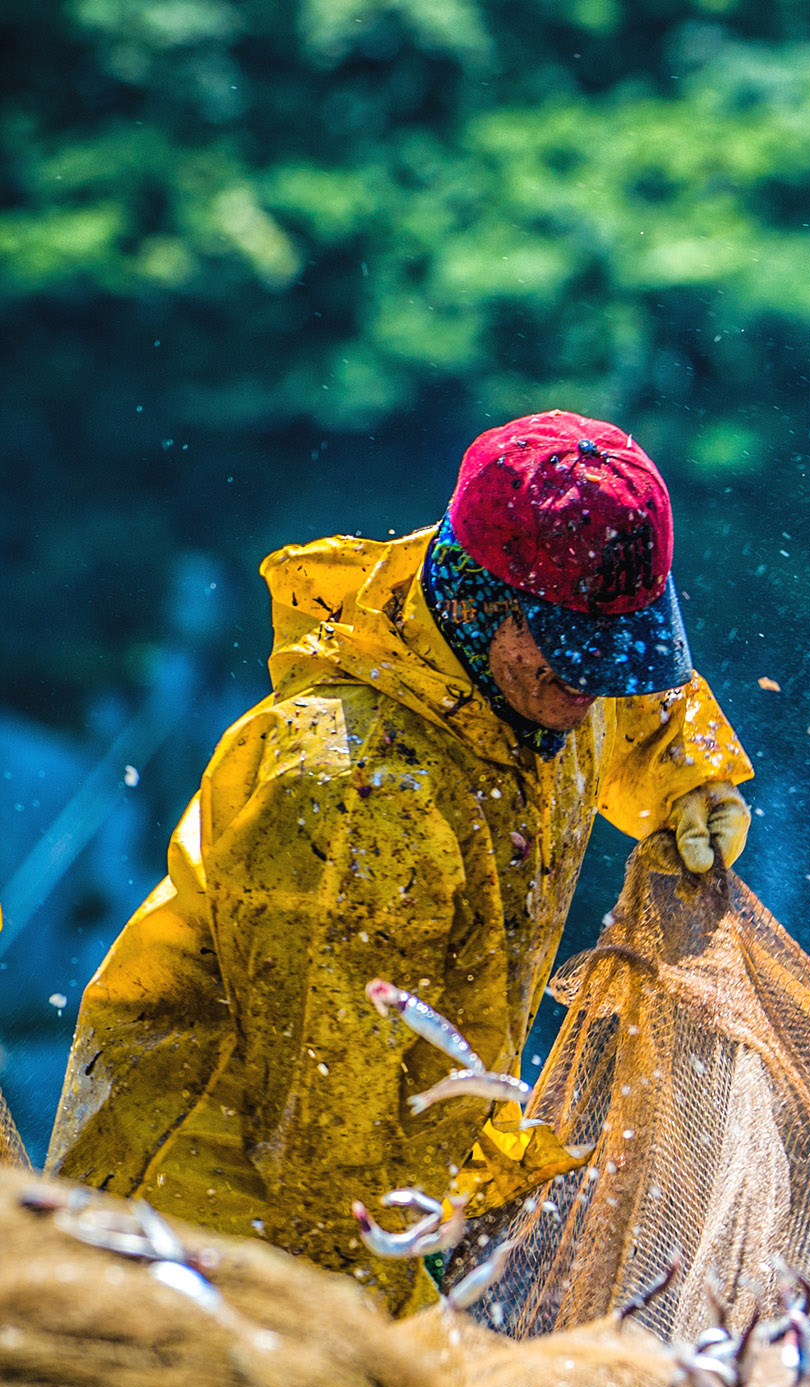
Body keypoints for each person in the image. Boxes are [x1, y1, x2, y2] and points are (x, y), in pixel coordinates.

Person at [49, 412, 755, 1312]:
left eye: (621, 650)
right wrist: (376, 1351)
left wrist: (693, 778)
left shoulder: (537, 673)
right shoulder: (352, 790)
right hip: (217, 1234)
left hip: (393, 1191)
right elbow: (325, 1150)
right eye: (579, 656)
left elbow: (642, 704)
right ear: (478, 599)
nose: (597, 684)